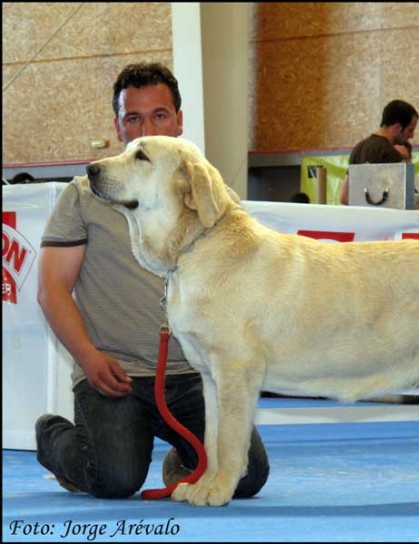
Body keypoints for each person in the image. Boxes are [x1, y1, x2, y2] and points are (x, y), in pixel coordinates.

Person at [35, 62, 270, 499]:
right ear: (118, 126)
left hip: (195, 374)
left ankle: (183, 458)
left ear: (179, 121)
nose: (146, 125)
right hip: (114, 374)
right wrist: (88, 359)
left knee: (248, 476)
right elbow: (51, 290)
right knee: (114, 479)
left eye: (159, 115)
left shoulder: (213, 193)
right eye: (133, 117)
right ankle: (52, 436)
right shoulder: (83, 196)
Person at [340, 99, 419, 205]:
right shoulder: (391, 154)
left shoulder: (358, 148)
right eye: (410, 130)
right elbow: (402, 202)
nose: (411, 136)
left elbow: (344, 198)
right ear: (397, 127)